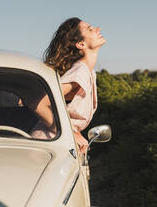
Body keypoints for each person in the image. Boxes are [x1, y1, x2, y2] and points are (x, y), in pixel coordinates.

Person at [30, 17, 106, 153]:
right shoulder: (80, 73)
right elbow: (37, 103)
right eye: (90, 29)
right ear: (81, 44)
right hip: (49, 143)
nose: (97, 29)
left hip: (58, 141)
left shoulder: (88, 72)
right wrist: (71, 133)